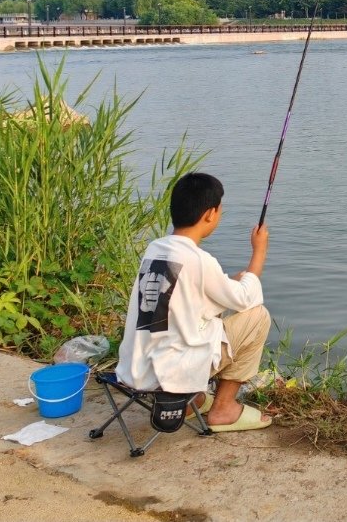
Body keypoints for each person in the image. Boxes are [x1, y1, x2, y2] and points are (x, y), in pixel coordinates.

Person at [117, 172, 273, 432]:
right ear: (210, 214)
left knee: (212, 316)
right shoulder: (200, 260)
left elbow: (194, 290)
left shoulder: (155, 249)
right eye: (220, 211)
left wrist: (235, 279)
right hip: (173, 373)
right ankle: (223, 408)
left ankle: (193, 401)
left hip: (138, 370)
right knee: (258, 316)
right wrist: (259, 251)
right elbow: (246, 298)